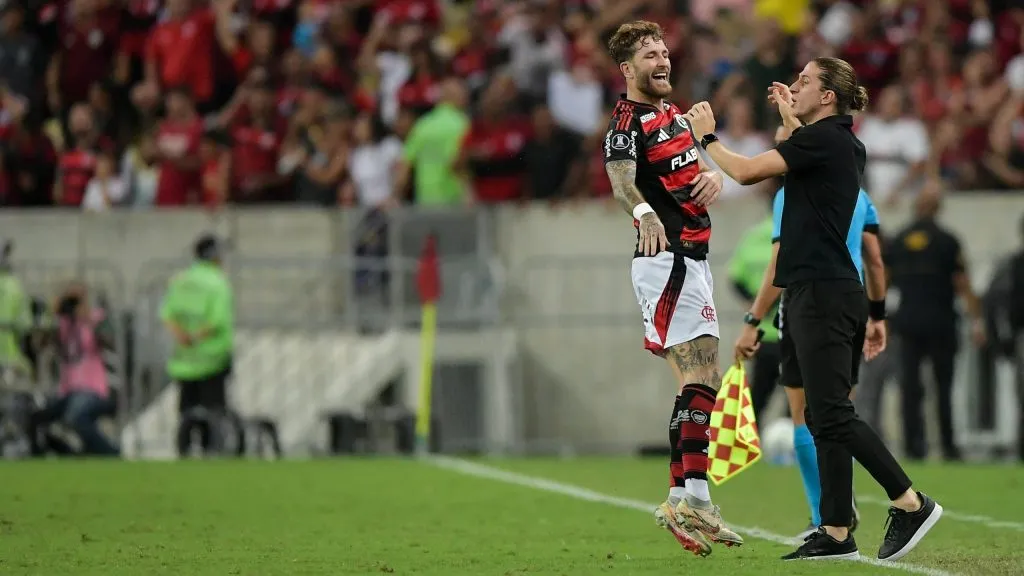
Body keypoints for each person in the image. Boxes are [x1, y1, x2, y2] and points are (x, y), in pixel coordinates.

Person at [684, 57, 942, 561]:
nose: (793, 85)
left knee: (833, 415)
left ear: (828, 97)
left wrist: (707, 139)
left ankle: (911, 502)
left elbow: (747, 170)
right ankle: (837, 531)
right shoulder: (832, 142)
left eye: (804, 81)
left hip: (822, 292)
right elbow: (798, 149)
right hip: (818, 291)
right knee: (822, 419)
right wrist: (789, 115)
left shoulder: (824, 141)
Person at [602, 21, 739, 558]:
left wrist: (716, 177)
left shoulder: (672, 114)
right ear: (627, 69)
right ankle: (694, 498)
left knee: (699, 380)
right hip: (666, 261)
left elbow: (695, 176)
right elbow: (620, 179)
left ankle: (682, 496)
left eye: (663, 52)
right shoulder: (625, 121)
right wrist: (641, 212)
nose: (661, 61)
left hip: (692, 259)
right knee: (701, 375)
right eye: (648, 55)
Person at [734, 122, 885, 538]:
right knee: (838, 408)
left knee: (810, 416)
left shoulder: (793, 193)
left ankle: (831, 513)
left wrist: (752, 320)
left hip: (811, 302)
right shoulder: (860, 195)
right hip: (852, 303)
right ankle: (839, 509)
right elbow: (874, 261)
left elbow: (777, 263)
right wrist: (877, 315)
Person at [885, 179, 986, 461]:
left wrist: (876, 317)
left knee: (910, 388)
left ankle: (913, 447)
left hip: (907, 322)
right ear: (939, 208)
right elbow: (962, 283)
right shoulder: (948, 241)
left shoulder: (900, 240)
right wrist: (977, 321)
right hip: (941, 322)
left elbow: (883, 281)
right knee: (943, 387)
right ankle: (948, 446)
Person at [160, 234, 234, 457]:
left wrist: (183, 336)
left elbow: (167, 314)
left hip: (184, 360)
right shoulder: (217, 282)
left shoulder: (181, 280)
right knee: (213, 413)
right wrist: (196, 337)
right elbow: (217, 320)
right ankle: (212, 451)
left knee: (187, 412)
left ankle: (184, 452)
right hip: (212, 358)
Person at [30, 283, 120, 456]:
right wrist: (53, 311)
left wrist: (87, 319)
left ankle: (111, 453)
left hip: (94, 389)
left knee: (75, 416)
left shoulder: (95, 319)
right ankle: (69, 454)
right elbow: (40, 344)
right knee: (38, 419)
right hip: (68, 391)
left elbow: (110, 341)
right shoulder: (61, 324)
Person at [726, 188, 782, 424]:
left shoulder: (754, 235)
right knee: (800, 399)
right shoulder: (798, 233)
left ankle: (746, 444)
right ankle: (795, 444)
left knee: (758, 396)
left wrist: (756, 303)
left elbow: (735, 277)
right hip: (793, 329)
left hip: (762, 332)